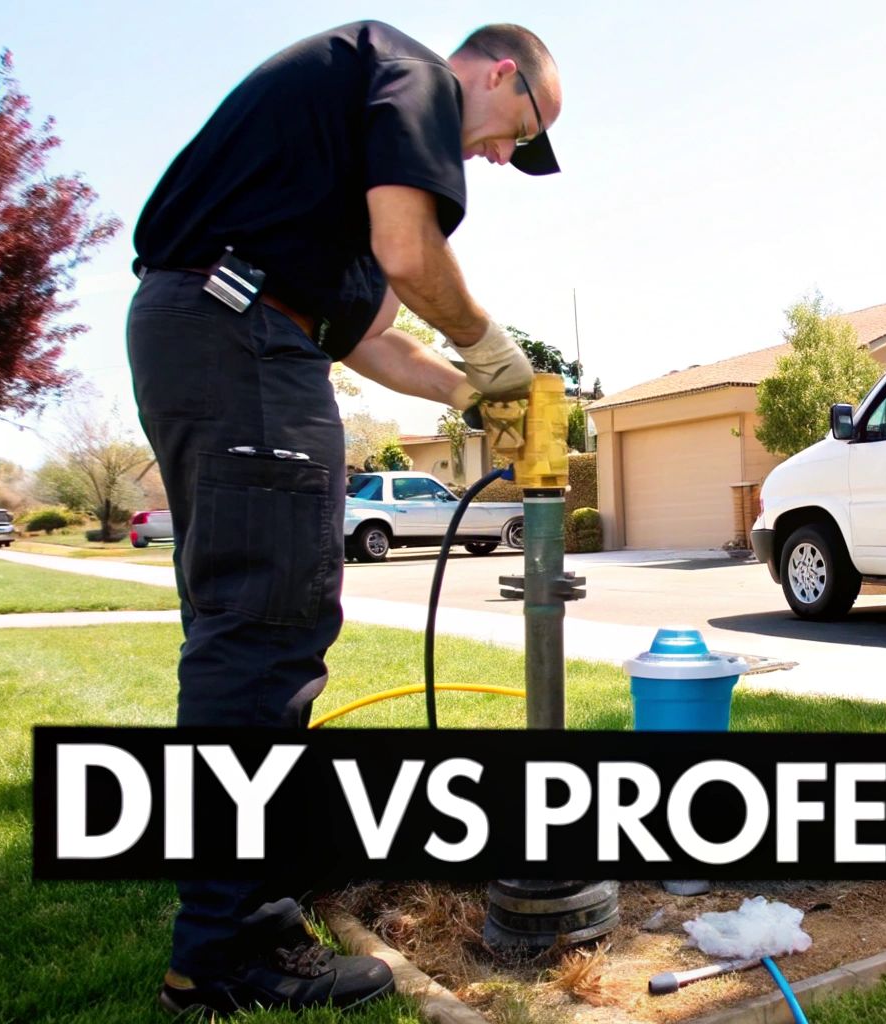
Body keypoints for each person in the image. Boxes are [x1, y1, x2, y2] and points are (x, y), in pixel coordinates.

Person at [125, 20, 562, 1014]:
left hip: (241, 337)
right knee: (263, 640)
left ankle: (242, 898)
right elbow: (409, 253)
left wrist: (468, 394)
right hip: (238, 337)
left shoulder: (345, 158)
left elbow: (371, 340)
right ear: (498, 73)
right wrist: (495, 349)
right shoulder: (404, 73)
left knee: (253, 632)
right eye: (517, 133)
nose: (499, 157)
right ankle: (230, 947)